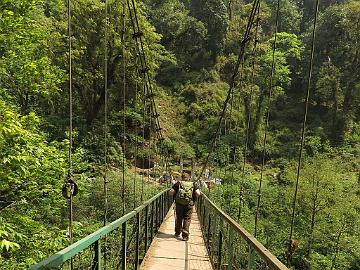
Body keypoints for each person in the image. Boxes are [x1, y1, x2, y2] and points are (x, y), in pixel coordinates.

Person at [169, 173, 201, 241]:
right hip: (189, 204)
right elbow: (198, 193)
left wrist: (173, 194)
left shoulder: (178, 184)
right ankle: (185, 236)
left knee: (179, 217)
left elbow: (171, 192)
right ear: (189, 178)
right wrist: (194, 199)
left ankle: (177, 232)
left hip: (179, 204)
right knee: (187, 218)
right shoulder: (193, 184)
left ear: (182, 178)